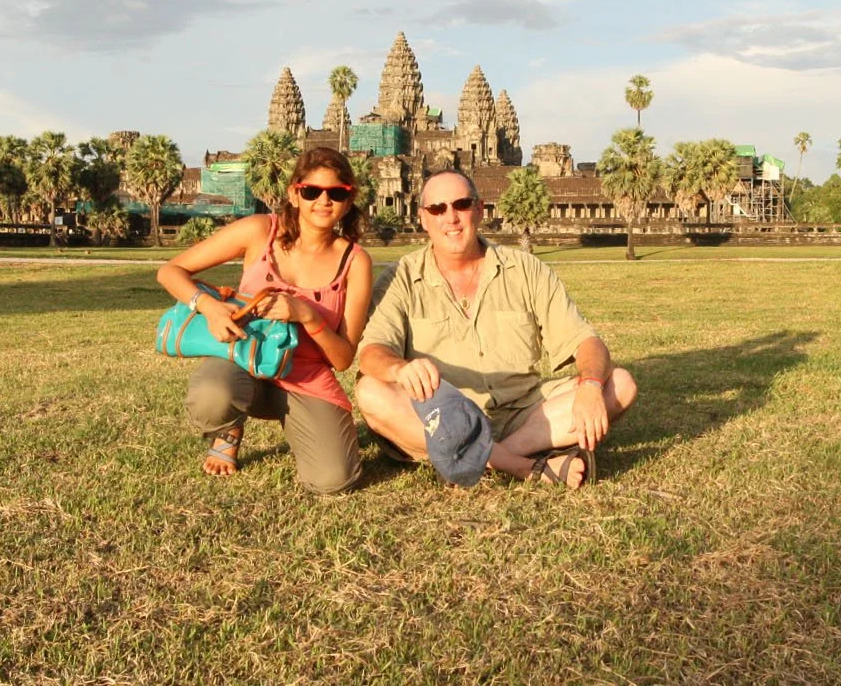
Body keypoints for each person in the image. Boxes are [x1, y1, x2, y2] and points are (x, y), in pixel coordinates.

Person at [355, 170, 637, 489]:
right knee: (370, 391)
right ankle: (519, 465)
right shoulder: (402, 277)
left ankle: (475, 458)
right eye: (437, 209)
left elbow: (586, 341)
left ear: (480, 210)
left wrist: (589, 386)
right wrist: (400, 368)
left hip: (523, 411)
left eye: (462, 204)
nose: (451, 217)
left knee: (620, 384)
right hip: (444, 414)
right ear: (423, 218)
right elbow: (371, 353)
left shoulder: (525, 269)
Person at [156, 147, 374, 495]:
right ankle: (226, 431)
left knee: (335, 480)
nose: (323, 200)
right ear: (294, 194)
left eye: (336, 193)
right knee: (212, 396)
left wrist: (307, 314)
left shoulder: (355, 262)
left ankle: (301, 422)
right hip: (245, 360)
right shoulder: (260, 231)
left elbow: (343, 359)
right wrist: (209, 307)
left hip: (305, 377)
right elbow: (171, 271)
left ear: (348, 201)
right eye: (311, 191)